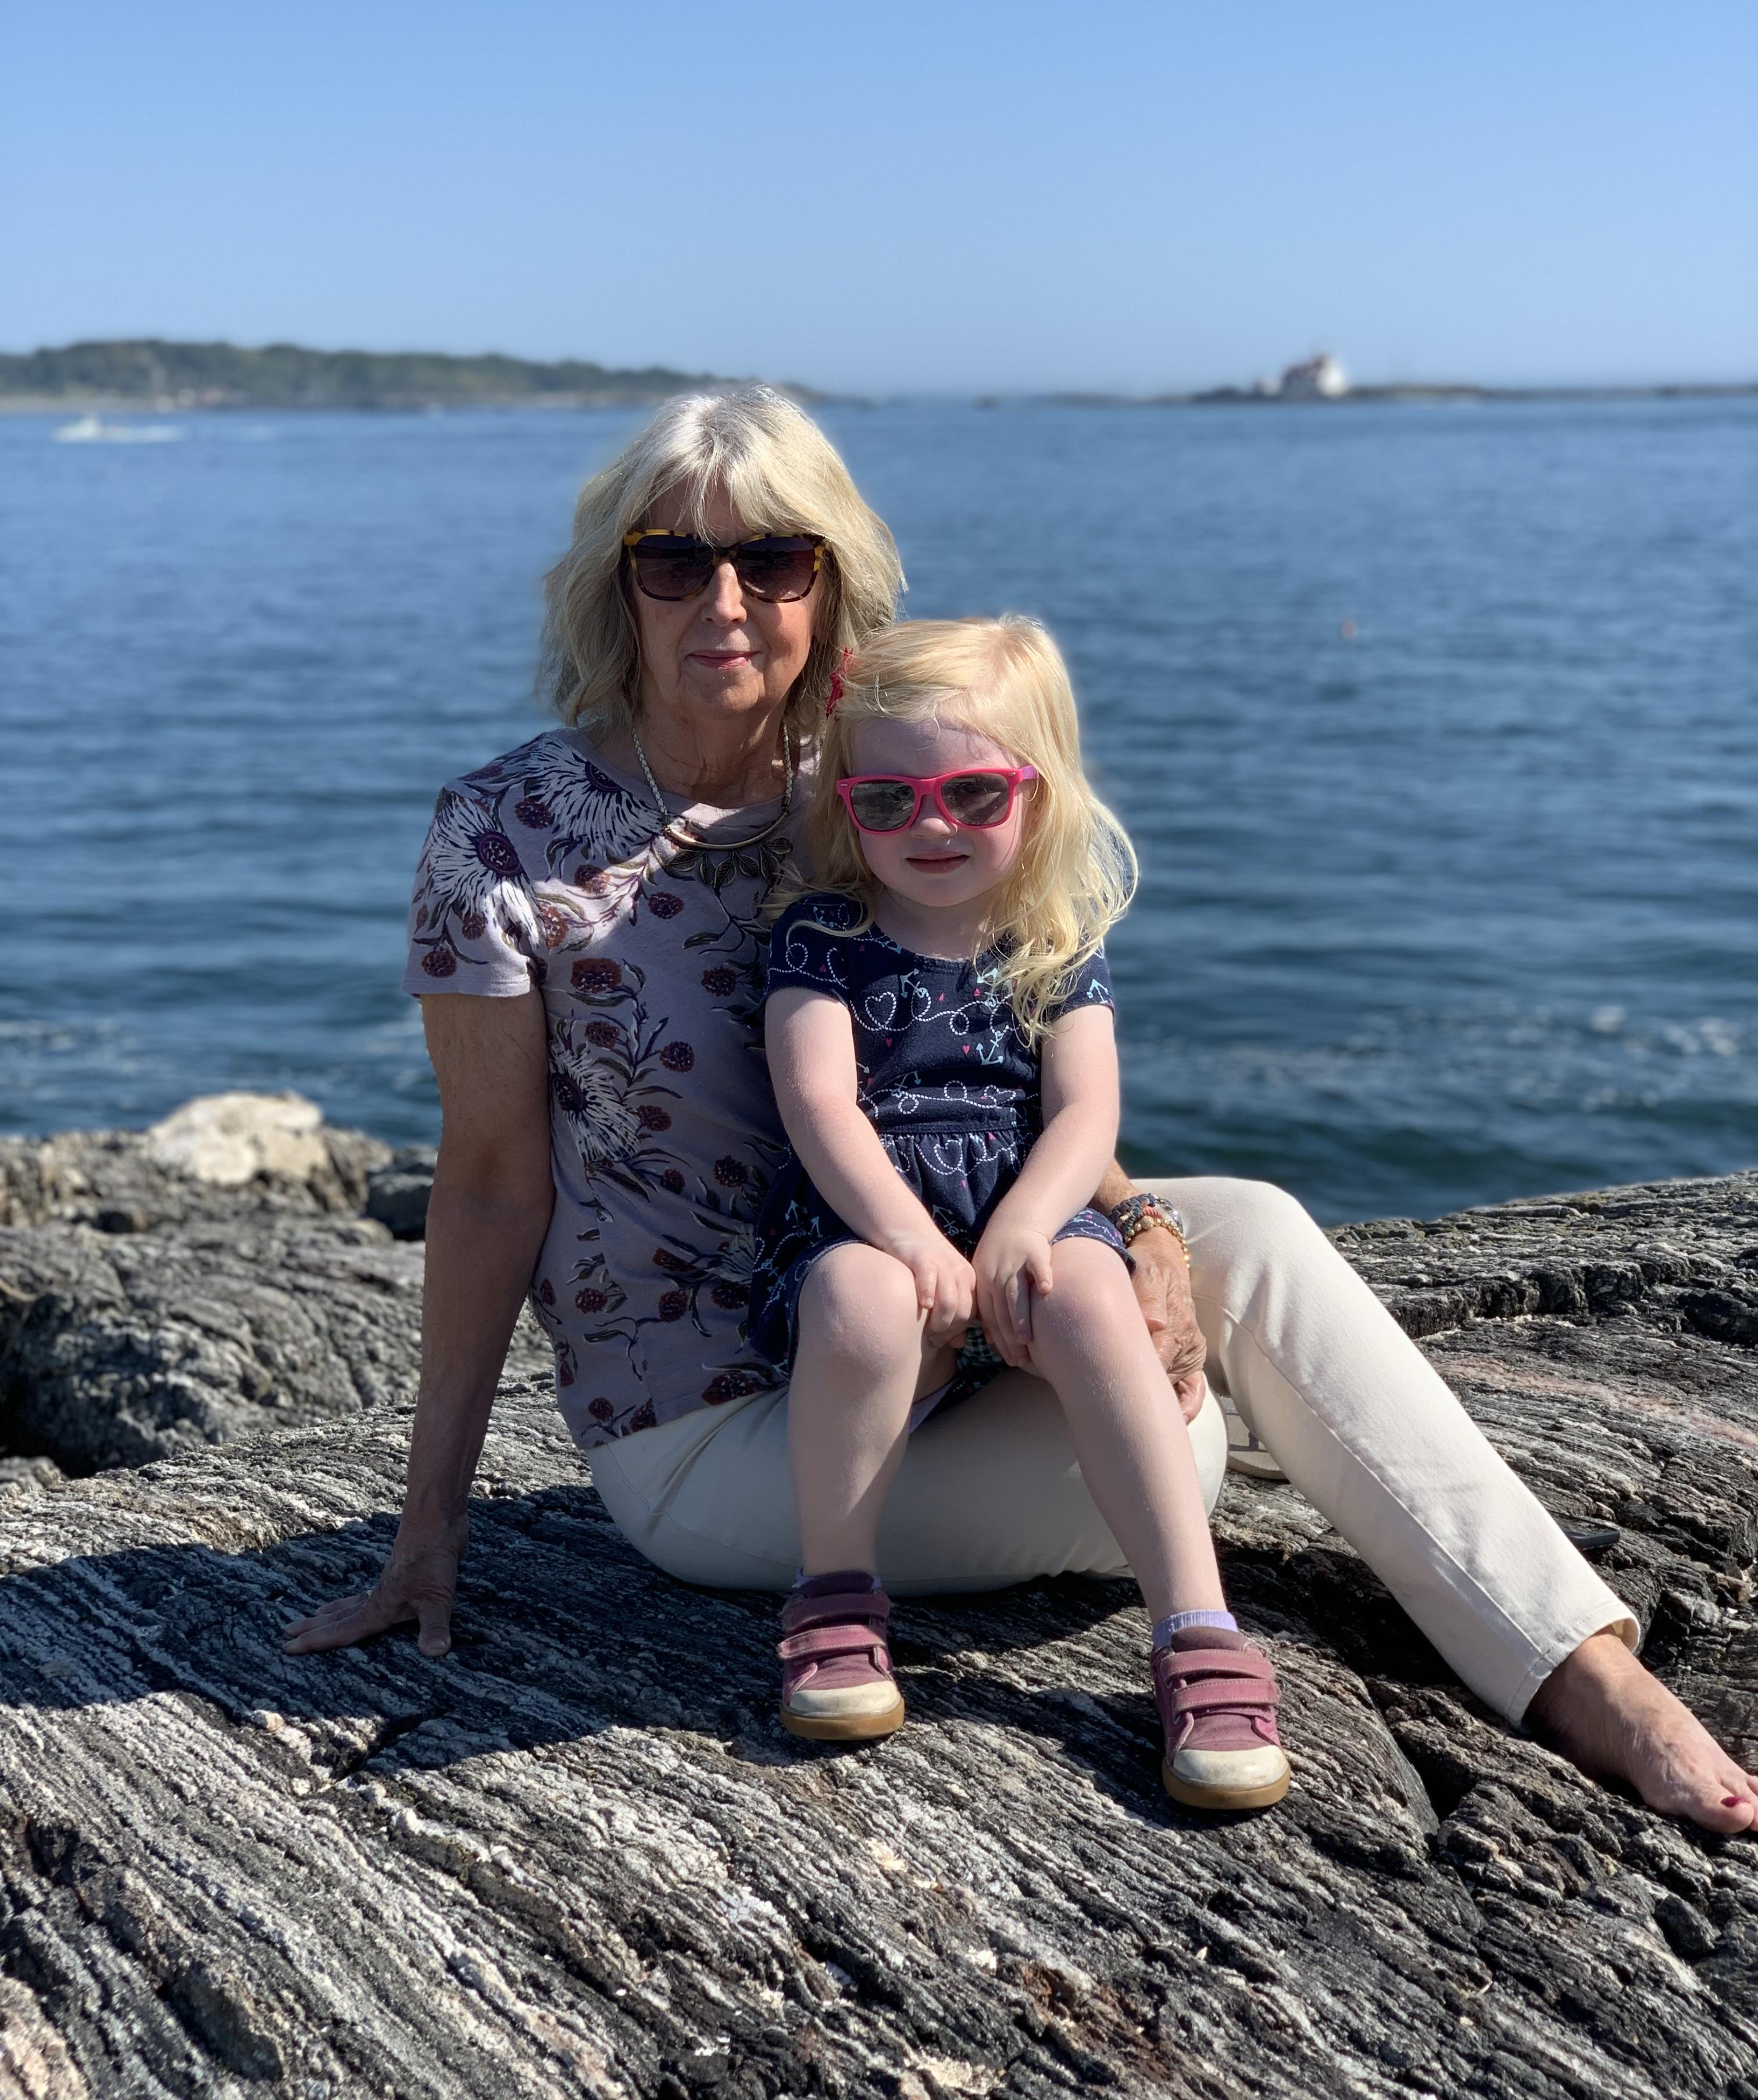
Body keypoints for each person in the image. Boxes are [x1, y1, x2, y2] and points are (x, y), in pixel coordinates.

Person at [283, 385, 1757, 1838]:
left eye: (772, 560)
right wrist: (431, 1536)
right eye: (673, 560)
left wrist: (1145, 1220)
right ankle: (1080, 1613)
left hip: (943, 1327)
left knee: (1255, 1232)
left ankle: (1580, 1671)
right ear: (620, 589)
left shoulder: (878, 790)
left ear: (833, 586)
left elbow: (974, 1080)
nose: (722, 600)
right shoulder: (504, 836)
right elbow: (487, 1187)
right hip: (723, 1423)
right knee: (1179, 1446)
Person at [751, 616, 1288, 1809]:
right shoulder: (825, 939)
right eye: (887, 801)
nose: (930, 826)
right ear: (849, 804)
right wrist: (907, 1238)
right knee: (854, 1298)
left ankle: (1197, 1630)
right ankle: (835, 1596)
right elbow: (820, 1106)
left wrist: (1023, 1231)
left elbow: (1086, 1114)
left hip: (1022, 1225)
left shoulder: (1054, 944)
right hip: (873, 1230)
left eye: (973, 792)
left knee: (1094, 1289)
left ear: (1038, 795)